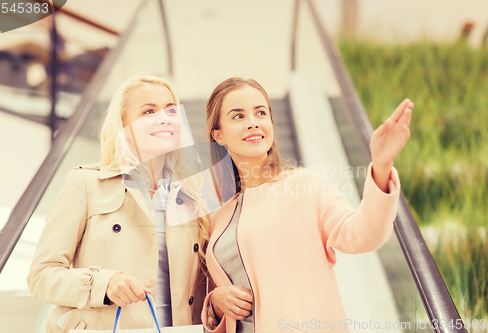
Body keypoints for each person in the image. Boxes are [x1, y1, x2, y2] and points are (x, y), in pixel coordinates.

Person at [201, 77, 413, 333]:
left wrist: (381, 167)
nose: (253, 122)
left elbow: (363, 234)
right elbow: (219, 295)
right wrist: (214, 303)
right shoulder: (217, 219)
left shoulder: (304, 186)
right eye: (238, 116)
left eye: (261, 113)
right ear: (218, 134)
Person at [27, 75, 209, 332]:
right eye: (149, 111)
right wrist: (104, 282)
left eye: (170, 110)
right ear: (123, 125)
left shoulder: (193, 199)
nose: (164, 117)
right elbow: (41, 276)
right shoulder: (86, 184)